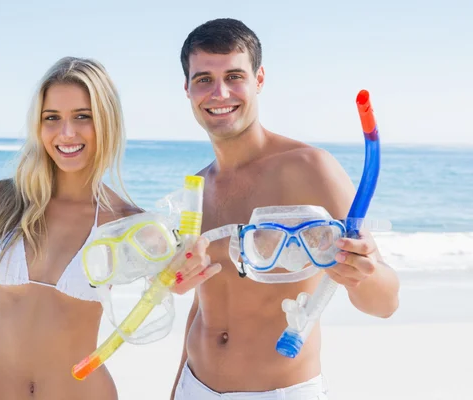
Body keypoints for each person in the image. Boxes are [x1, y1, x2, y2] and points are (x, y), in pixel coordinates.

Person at [0, 56, 218, 400]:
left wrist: (183, 272)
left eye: (82, 117)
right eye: (52, 118)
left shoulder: (127, 224)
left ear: (106, 123)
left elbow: (171, 282)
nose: (66, 133)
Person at [171, 18, 400, 399]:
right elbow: (201, 307)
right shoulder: (199, 186)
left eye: (234, 76)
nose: (220, 92)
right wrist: (178, 388)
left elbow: (386, 303)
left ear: (259, 80)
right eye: (204, 79)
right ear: (188, 88)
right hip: (195, 386)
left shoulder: (309, 167)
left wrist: (363, 273)